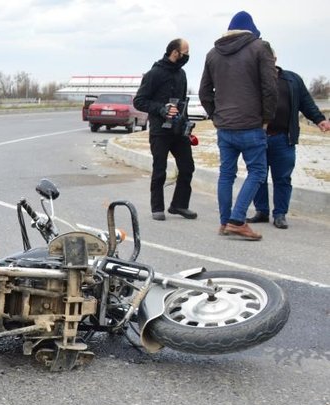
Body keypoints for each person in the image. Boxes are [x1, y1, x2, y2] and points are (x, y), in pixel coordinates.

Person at [199, 11, 278, 240]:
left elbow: (204, 92)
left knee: (226, 174)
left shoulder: (213, 53)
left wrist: (216, 116)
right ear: (251, 30)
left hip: (224, 127)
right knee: (258, 171)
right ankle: (237, 220)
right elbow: (270, 88)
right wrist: (266, 119)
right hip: (251, 125)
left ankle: (225, 222)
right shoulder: (260, 47)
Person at [246, 64, 330, 229]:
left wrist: (319, 119)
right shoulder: (253, 79)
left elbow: (306, 103)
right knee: (258, 177)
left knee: (283, 178)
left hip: (283, 138)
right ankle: (261, 211)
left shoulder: (292, 79)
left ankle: (280, 214)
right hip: (257, 138)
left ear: (274, 59)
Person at [134, 38, 197, 221]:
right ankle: (157, 208)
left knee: (187, 167)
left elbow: (182, 102)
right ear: (175, 53)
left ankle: (179, 205)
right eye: (185, 52)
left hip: (179, 131)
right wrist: (161, 109)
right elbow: (139, 101)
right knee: (159, 169)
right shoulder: (154, 73)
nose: (187, 56)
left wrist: (186, 123)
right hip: (160, 131)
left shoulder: (182, 74)